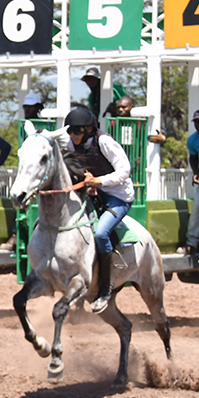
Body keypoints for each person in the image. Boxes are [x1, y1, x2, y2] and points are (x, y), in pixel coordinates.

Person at [60, 106, 134, 313]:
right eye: (70, 131)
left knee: (100, 233)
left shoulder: (104, 141)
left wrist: (99, 181)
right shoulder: (71, 144)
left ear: (89, 130)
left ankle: (105, 289)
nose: (72, 135)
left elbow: (125, 170)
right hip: (94, 194)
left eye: (77, 131)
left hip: (118, 197)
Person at [178, 109, 199, 256]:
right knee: (197, 208)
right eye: (196, 122)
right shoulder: (193, 140)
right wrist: (196, 172)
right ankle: (191, 244)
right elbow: (193, 157)